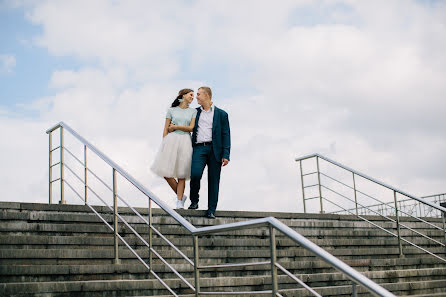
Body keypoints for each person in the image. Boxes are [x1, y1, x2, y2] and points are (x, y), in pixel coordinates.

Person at [188, 86, 230, 219]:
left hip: (215, 150)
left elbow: (226, 134)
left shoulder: (222, 114)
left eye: (199, 94)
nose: (196, 97)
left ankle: (211, 210)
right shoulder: (194, 112)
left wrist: (226, 154)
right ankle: (194, 201)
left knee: (214, 181)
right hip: (199, 148)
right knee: (195, 174)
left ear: (207, 95)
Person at [151, 88, 197, 209]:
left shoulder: (193, 112)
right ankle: (181, 195)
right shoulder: (171, 110)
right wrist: (164, 144)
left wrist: (176, 126)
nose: (193, 97)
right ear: (183, 95)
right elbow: (165, 129)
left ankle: (179, 201)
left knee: (181, 174)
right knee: (166, 172)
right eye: (191, 95)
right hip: (171, 141)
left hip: (186, 141)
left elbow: (191, 128)